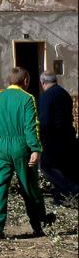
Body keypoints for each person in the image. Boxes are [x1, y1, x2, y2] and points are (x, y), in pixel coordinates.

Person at [0, 67, 46, 240]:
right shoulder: (27, 98)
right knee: (29, 186)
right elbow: (31, 126)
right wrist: (35, 148)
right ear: (25, 80)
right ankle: (38, 224)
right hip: (20, 145)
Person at [37, 72, 78, 206]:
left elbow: (44, 121)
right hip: (68, 135)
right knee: (63, 167)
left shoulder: (46, 96)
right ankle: (60, 197)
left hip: (53, 137)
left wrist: (40, 137)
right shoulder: (64, 94)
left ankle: (71, 188)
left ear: (43, 83)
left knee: (46, 166)